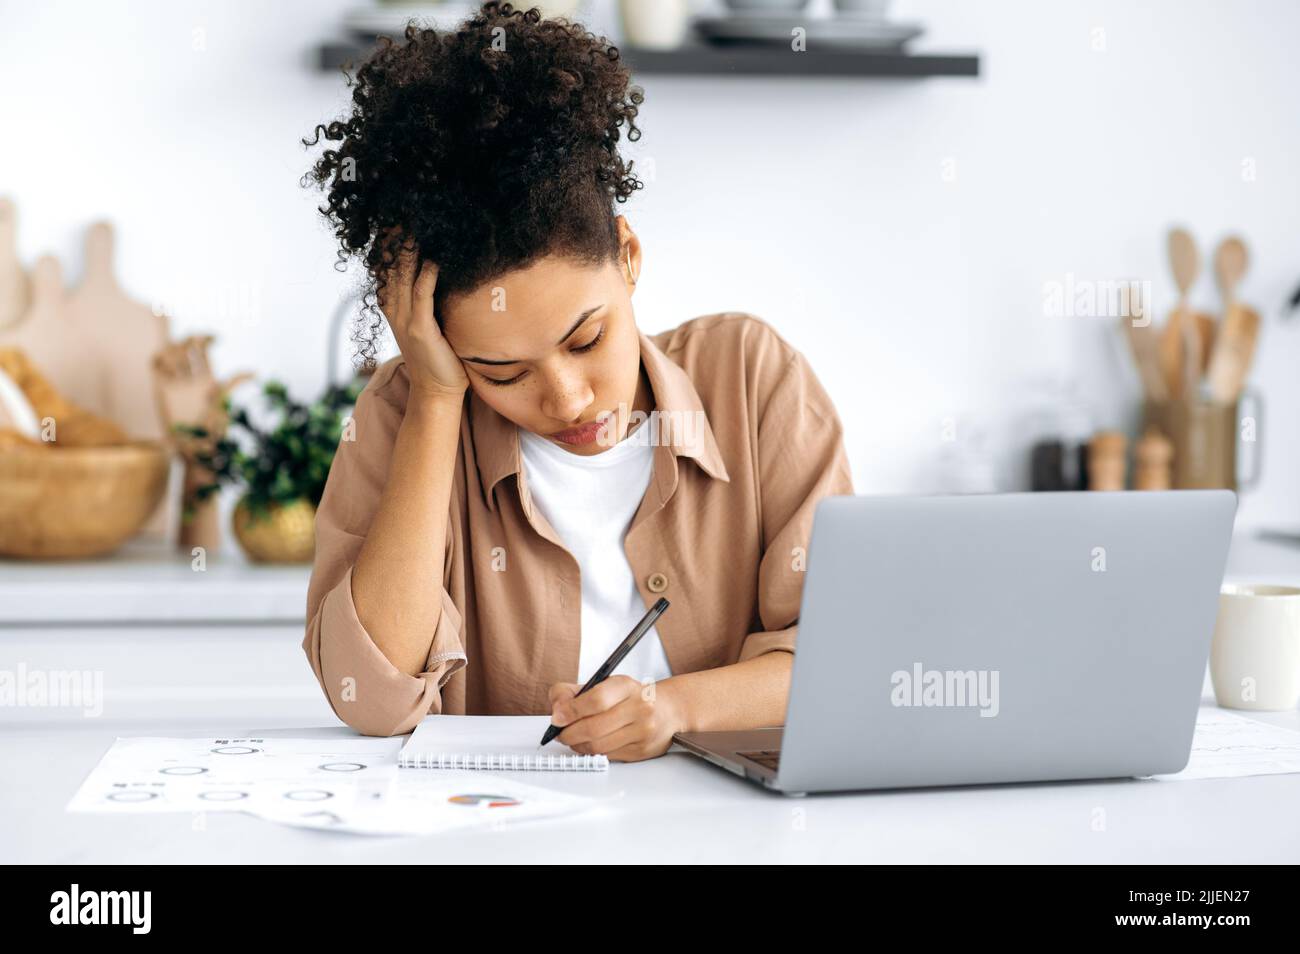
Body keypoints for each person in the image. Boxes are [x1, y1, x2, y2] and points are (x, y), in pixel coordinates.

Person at [300, 2, 853, 761]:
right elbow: (374, 696)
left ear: (627, 255)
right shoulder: (405, 412)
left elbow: (841, 658)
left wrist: (673, 707)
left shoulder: (752, 379)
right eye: (501, 371)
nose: (566, 399)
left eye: (586, 338)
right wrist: (433, 399)